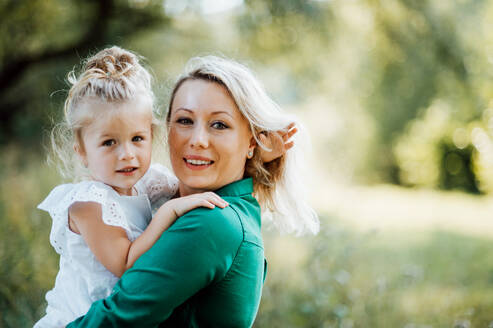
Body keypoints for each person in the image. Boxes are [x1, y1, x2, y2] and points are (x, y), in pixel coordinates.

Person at [67, 55, 319, 327]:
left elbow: (116, 320)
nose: (197, 140)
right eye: (185, 121)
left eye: (219, 125)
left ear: (252, 140)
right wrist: (254, 156)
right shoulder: (208, 204)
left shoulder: (210, 221)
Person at [34, 47, 232, 328]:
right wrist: (169, 212)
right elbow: (126, 264)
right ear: (82, 151)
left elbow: (196, 191)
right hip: (80, 321)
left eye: (137, 138)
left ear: (152, 136)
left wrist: (261, 158)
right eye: (109, 142)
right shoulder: (89, 203)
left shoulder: (147, 182)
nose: (127, 154)